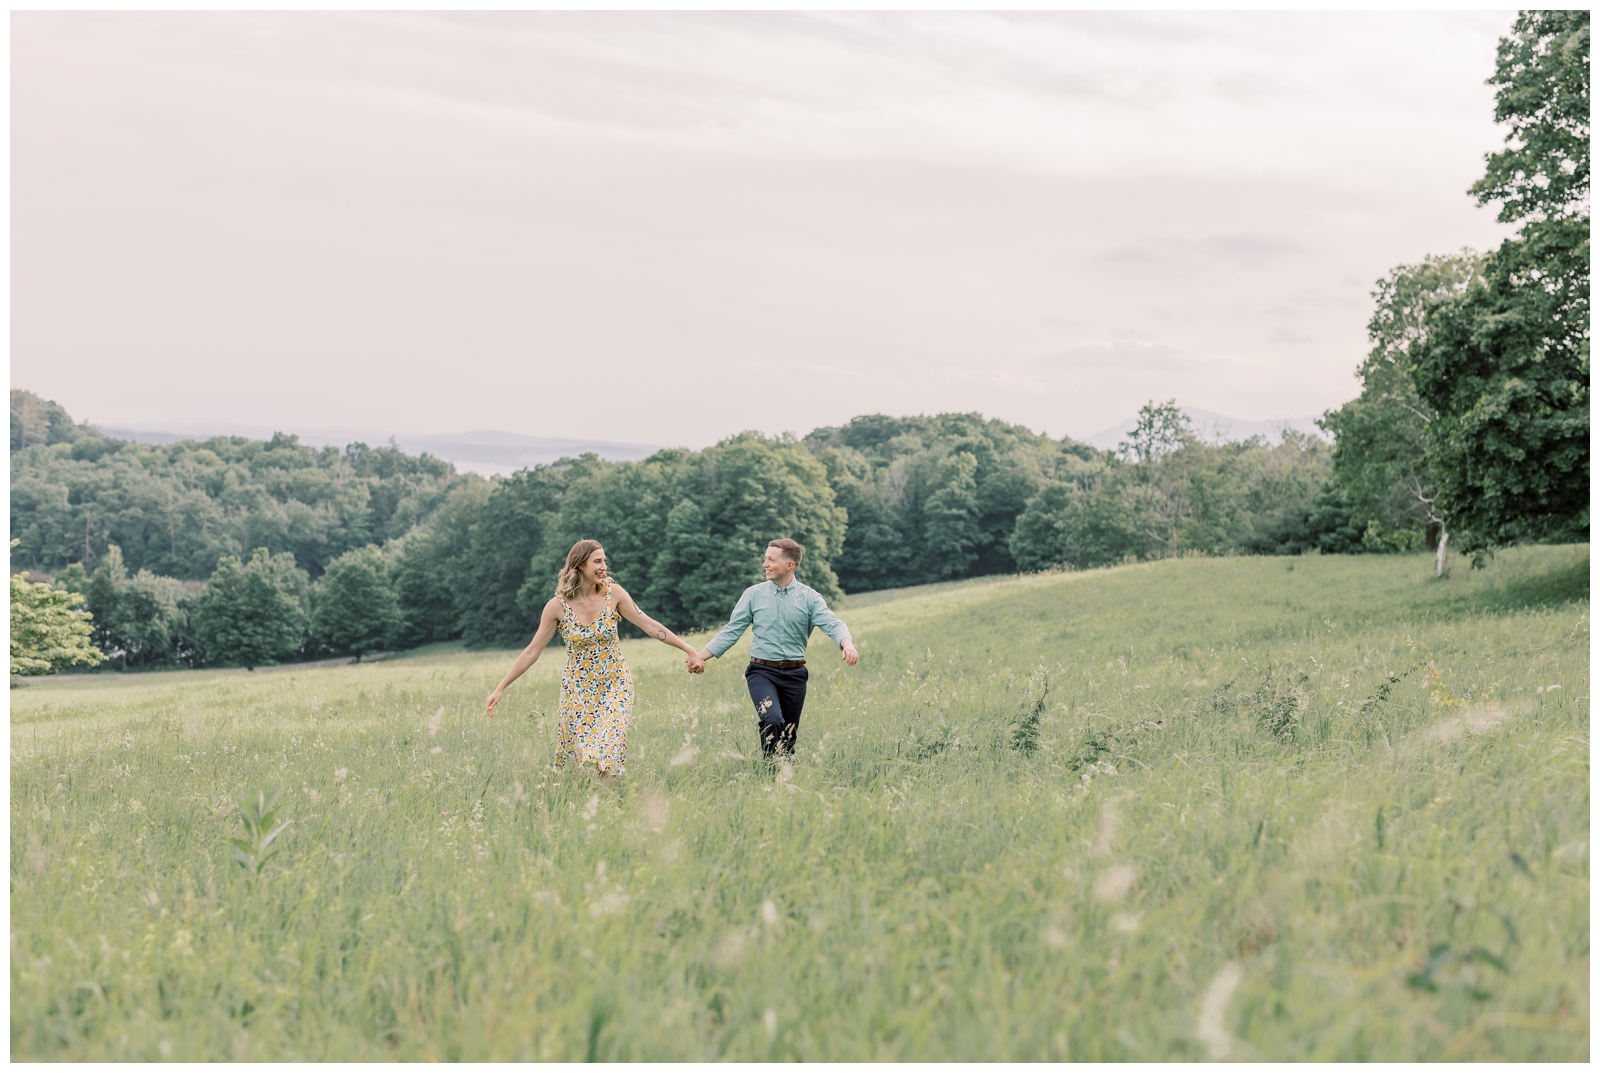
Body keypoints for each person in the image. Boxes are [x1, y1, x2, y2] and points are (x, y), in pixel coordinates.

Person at [486, 539, 704, 777]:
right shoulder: (556, 607)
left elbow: (649, 625)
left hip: (616, 683)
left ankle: (609, 803)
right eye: (597, 561)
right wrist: (501, 687)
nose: (603, 567)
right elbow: (531, 651)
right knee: (577, 755)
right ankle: (602, 805)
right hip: (577, 690)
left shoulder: (615, 594)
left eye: (604, 561)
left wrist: (688, 648)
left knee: (609, 741)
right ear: (580, 565)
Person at [692, 538, 859, 759]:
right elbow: (731, 631)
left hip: (795, 675)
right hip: (761, 672)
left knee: (788, 736)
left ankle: (783, 780)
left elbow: (833, 624)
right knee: (772, 720)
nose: (765, 564)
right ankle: (769, 771)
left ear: (789, 565)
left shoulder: (810, 598)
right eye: (765, 559)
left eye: (771, 560)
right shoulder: (753, 595)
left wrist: (847, 644)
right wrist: (699, 656)